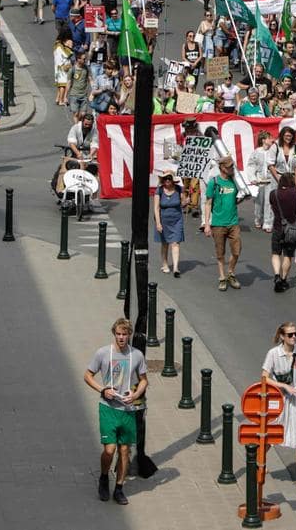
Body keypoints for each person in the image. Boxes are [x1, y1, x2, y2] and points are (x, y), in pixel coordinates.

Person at [83, 318, 148, 506]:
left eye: (124, 334)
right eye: (118, 334)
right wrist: (102, 389)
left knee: (125, 450)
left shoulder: (136, 355)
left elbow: (143, 379)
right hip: (108, 407)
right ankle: (104, 477)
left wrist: (135, 393)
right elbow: (87, 375)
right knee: (110, 450)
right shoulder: (103, 353)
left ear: (129, 335)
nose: (121, 337)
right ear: (114, 334)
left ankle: (119, 488)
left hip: (128, 408)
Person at [262, 321, 296, 482]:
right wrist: (284, 386)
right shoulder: (273, 353)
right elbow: (264, 378)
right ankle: (259, 461)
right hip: (278, 399)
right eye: (290, 334)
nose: (294, 337)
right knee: (273, 434)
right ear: (282, 336)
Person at [203, 155, 244, 290]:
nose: (232, 169)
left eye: (232, 166)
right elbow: (208, 203)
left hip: (233, 222)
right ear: (222, 168)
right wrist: (207, 224)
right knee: (220, 253)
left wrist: (244, 197)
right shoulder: (213, 182)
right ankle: (222, 277)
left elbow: (235, 200)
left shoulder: (235, 182)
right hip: (218, 223)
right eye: (230, 167)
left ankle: (230, 272)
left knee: (237, 251)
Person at [269, 172, 296, 292]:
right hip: (291, 228)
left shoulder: (273, 193)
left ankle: (276, 275)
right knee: (288, 255)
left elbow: (272, 207)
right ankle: (283, 279)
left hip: (277, 227)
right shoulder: (295, 192)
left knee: (276, 253)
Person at [153, 171, 184, 277]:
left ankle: (175, 267)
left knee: (175, 243)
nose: (167, 180)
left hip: (177, 220)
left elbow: (182, 203)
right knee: (165, 243)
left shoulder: (179, 189)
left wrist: (186, 201)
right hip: (163, 220)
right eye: (165, 178)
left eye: (169, 178)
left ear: (173, 180)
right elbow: (156, 208)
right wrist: (158, 223)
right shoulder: (159, 190)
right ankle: (165, 264)